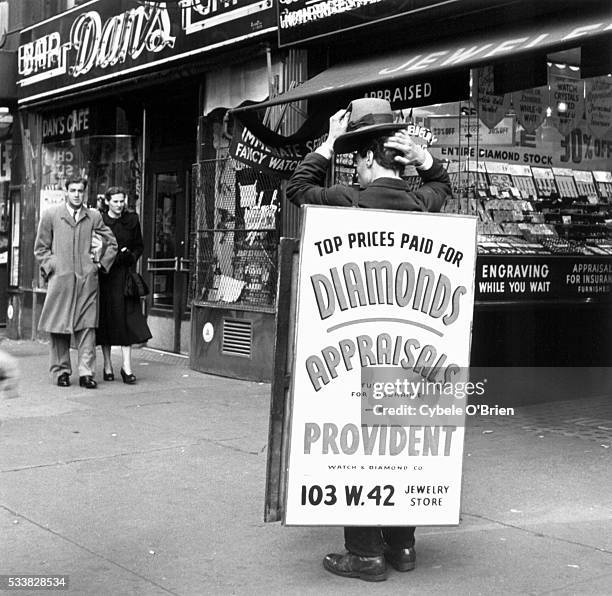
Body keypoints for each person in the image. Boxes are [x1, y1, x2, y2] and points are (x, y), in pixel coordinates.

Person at [286, 98, 453, 582]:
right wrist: (424, 161)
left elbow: (298, 187)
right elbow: (441, 183)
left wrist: (329, 142)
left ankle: (365, 553)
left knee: (356, 447)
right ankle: (402, 547)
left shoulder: (348, 198)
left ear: (363, 158)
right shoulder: (422, 201)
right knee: (401, 443)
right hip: (412, 353)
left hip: (354, 352)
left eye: (354, 158)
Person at [34, 177, 118, 389]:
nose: (77, 194)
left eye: (80, 190)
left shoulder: (94, 216)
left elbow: (111, 243)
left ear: (85, 193)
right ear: (66, 192)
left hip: (86, 283)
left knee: (87, 328)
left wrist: (98, 266)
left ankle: (86, 373)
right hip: (60, 283)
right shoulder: (51, 215)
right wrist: (53, 266)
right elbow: (41, 248)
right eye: (73, 190)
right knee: (59, 329)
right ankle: (61, 371)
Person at [96, 187, 152, 384]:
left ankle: (127, 367)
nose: (119, 205)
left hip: (126, 276)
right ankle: (107, 364)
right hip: (106, 275)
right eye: (115, 201)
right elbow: (94, 244)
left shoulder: (132, 220)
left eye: (122, 201)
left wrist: (131, 256)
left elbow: (140, 246)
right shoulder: (100, 219)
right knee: (106, 320)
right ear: (108, 202)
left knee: (128, 320)